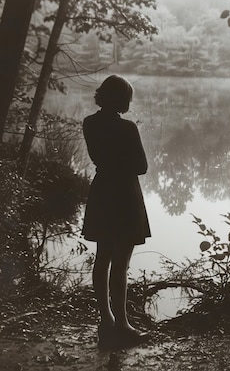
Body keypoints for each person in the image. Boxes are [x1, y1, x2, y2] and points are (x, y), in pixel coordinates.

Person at [82, 75, 151, 349]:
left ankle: (105, 320)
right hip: (124, 196)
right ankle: (122, 324)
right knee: (121, 263)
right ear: (123, 99)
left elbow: (99, 158)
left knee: (103, 258)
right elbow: (142, 166)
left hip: (102, 193)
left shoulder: (89, 123)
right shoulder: (127, 128)